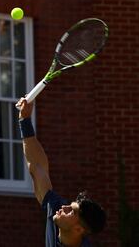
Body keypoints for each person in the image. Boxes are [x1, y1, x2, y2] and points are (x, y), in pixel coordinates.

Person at [16, 98, 106, 247]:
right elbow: (37, 167)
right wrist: (24, 120)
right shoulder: (57, 211)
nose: (64, 207)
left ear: (78, 229)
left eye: (72, 211)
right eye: (70, 205)